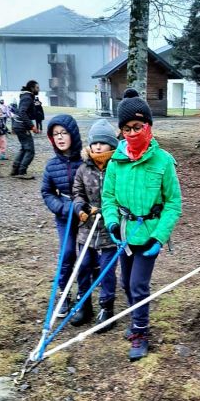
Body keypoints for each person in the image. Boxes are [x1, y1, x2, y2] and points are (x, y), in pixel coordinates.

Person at [102, 88, 182, 362]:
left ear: (148, 126)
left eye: (138, 127)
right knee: (126, 282)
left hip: (149, 236)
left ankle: (140, 332)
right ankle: (136, 317)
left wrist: (159, 237)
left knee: (138, 284)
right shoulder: (116, 161)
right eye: (127, 128)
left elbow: (173, 203)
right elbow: (108, 198)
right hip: (124, 234)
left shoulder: (164, 161)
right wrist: (112, 224)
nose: (132, 133)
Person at [71, 119, 119, 329]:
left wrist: (112, 213)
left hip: (109, 229)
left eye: (103, 143)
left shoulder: (117, 167)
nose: (98, 147)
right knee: (83, 266)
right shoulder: (83, 169)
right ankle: (84, 304)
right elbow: (77, 193)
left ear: (112, 145)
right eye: (94, 143)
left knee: (107, 270)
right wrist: (80, 207)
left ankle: (107, 308)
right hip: (87, 227)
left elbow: (121, 195)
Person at [41, 115, 83, 317]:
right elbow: (47, 192)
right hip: (65, 216)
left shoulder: (85, 161)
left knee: (87, 256)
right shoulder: (51, 166)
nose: (59, 137)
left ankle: (84, 292)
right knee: (67, 253)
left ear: (72, 134)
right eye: (55, 134)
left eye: (64, 133)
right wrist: (61, 208)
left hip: (85, 216)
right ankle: (64, 292)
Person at [11, 81, 39, 179]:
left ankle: (15, 169)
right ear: (32, 88)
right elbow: (22, 112)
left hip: (18, 125)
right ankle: (22, 171)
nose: (38, 89)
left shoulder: (26, 96)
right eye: (37, 87)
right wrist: (32, 126)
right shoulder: (27, 97)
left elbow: (26, 112)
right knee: (30, 150)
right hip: (22, 126)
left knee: (24, 148)